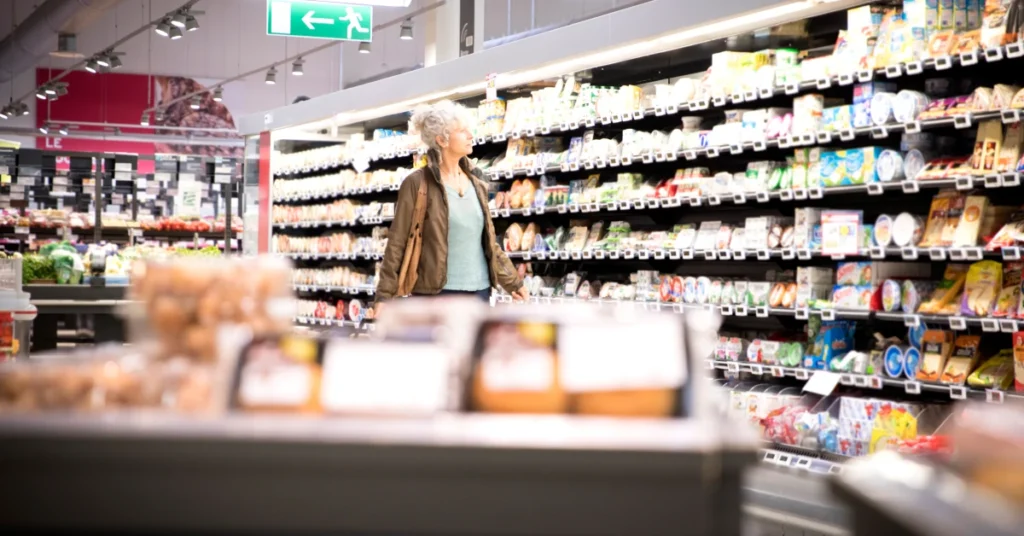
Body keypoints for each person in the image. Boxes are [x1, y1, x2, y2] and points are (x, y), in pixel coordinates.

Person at [375, 100, 528, 305]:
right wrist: (383, 297)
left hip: (480, 293)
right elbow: (397, 243)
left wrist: (514, 283)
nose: (470, 135)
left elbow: (488, 243)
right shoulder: (417, 184)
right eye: (462, 131)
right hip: (437, 296)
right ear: (442, 140)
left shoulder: (477, 182)